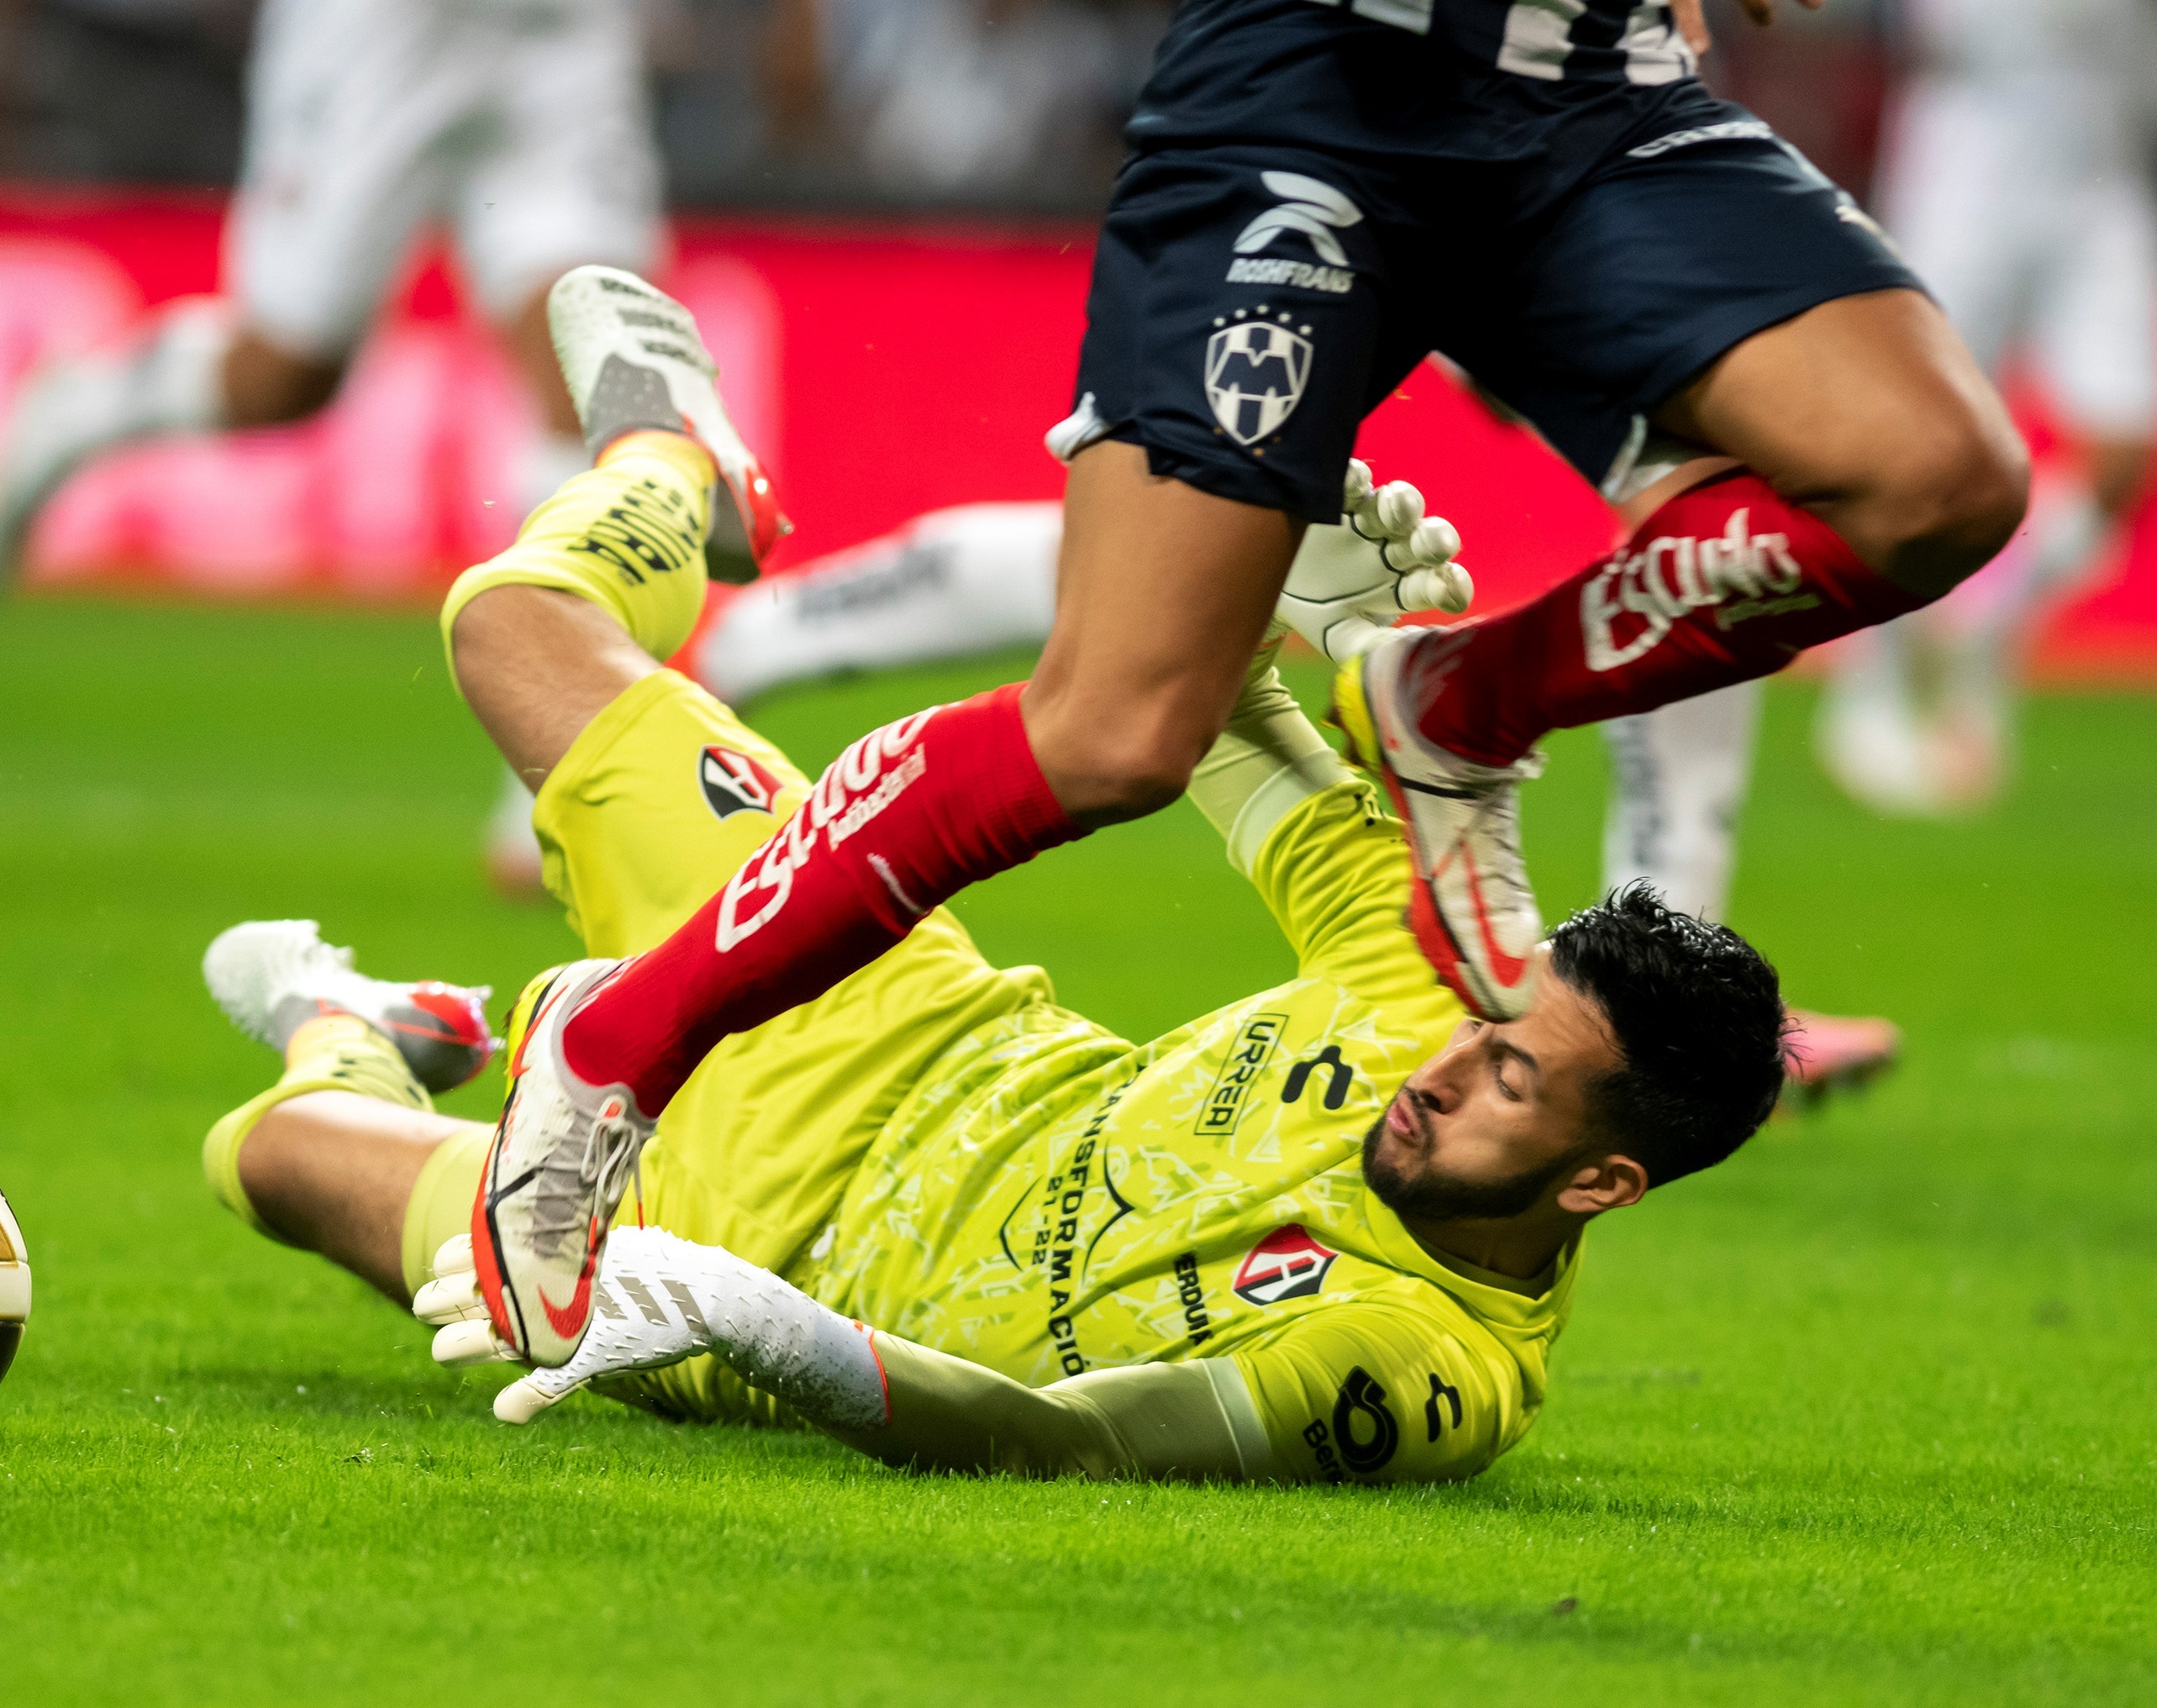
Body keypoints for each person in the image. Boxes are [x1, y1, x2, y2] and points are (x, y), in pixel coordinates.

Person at [466, 0, 2028, 1373]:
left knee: (1934, 476)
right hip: (1316, 88)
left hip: (1597, 99)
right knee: (1109, 724)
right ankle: (609, 1031)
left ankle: (1455, 699)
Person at [192, 434, 1787, 1484]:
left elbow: (1062, 1440)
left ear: (1601, 1180)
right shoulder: (1429, 979)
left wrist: (734, 1312)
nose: (1449, 1063)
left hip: (765, 1269)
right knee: (513, 622)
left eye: (1512, 1077)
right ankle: (672, 452)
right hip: (876, 1018)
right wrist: (1272, 595)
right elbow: (1201, 727)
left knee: (264, 1154)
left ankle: (355, 1026)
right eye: (1487, 1026)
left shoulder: (1427, 1370)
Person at [481, 479, 1894, 1100]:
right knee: (1153, 617)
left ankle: (1659, 967)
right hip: (1364, 125)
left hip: (1498, 111)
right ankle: (741, 576)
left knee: (1719, 512)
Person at [0, 0, 674, 596]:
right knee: (284, 374)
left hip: (561, 36)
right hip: (380, 35)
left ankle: (557, 749)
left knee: (594, 363)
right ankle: (76, 410)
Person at [1815, 0, 2157, 813]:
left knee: (2124, 448)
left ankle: (1990, 629)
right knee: (1930, 434)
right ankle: (1871, 697)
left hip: (2101, 148)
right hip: (1974, 137)